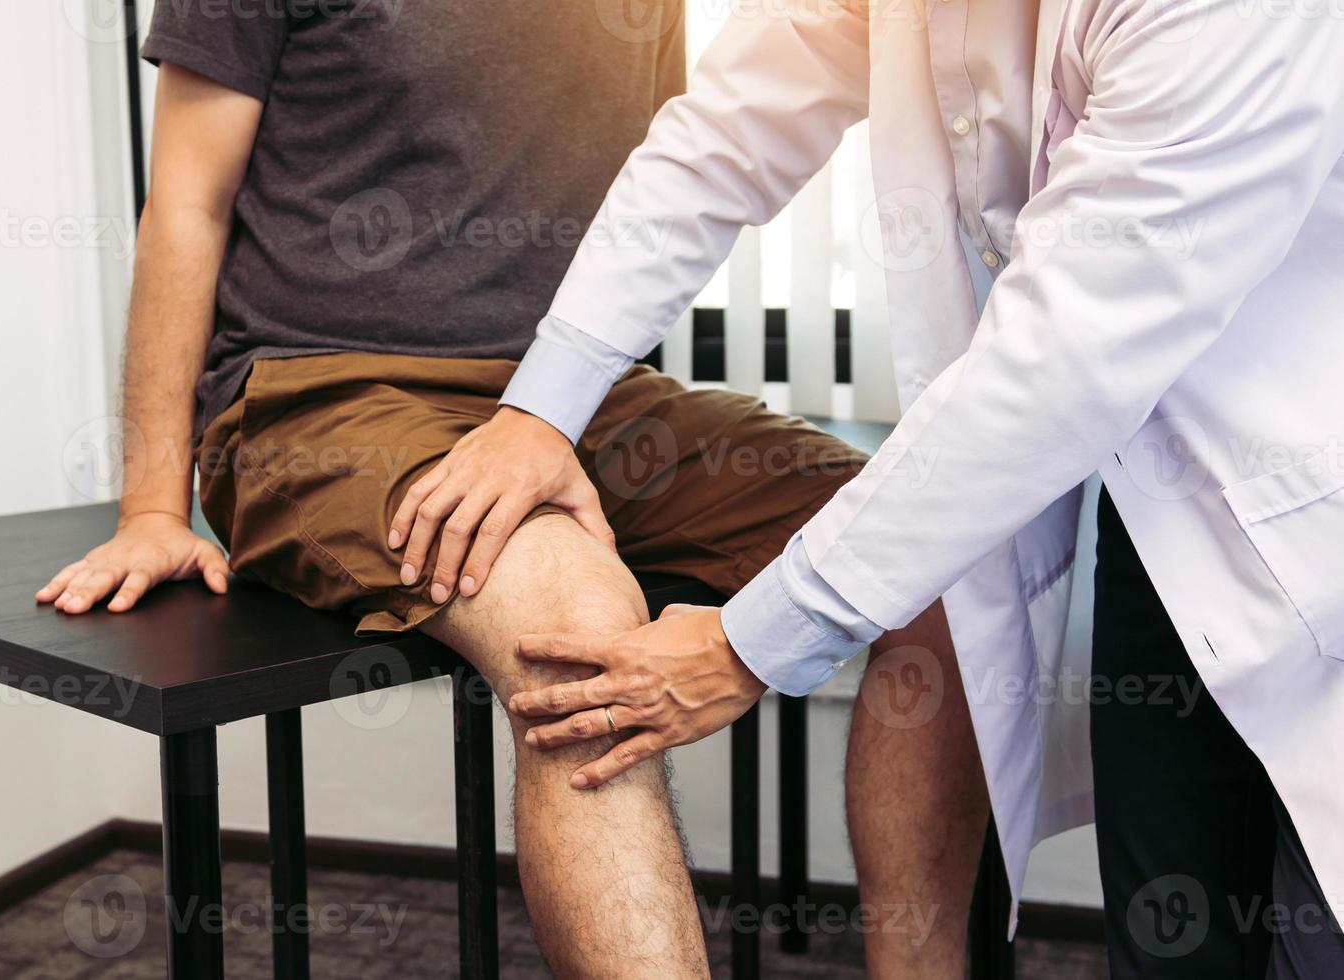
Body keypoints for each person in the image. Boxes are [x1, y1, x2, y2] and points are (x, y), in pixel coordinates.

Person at [34, 0, 989, 974]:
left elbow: (663, 192)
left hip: (574, 398)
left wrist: (551, 411)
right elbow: (187, 202)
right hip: (322, 393)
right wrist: (153, 506)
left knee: (938, 551)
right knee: (573, 617)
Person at [440, 0, 1344, 975]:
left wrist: (750, 643)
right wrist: (541, 409)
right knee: (1176, 925)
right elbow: (727, 131)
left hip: (1310, 493)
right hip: (1158, 513)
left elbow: (1060, 358)